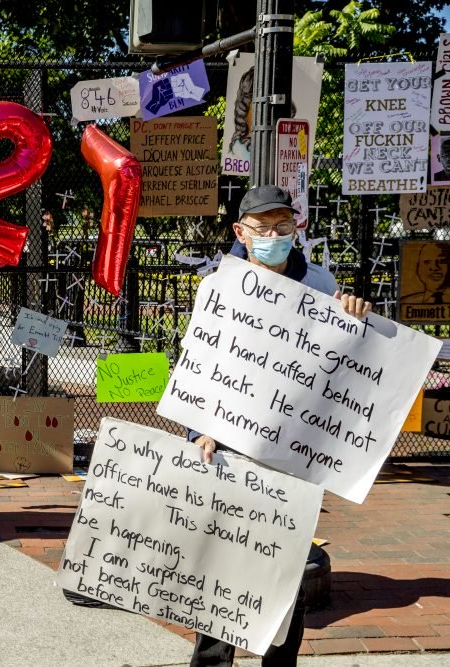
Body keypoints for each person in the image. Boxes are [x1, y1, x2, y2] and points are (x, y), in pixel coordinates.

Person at [187, 185, 371, 667]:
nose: (273, 235)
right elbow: (201, 364)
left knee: (283, 570)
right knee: (221, 564)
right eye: (262, 227)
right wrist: (202, 431)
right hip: (230, 446)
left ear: (297, 228)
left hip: (295, 455)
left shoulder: (322, 284)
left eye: (281, 226)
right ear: (240, 232)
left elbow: (344, 369)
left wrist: (355, 319)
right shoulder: (218, 288)